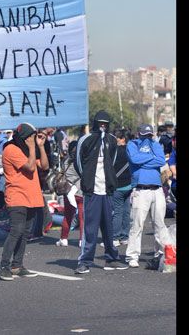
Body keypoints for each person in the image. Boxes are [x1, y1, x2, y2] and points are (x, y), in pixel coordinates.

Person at [74, 111, 128, 273]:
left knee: (109, 227)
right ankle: (84, 261)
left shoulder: (112, 140)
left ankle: (112, 259)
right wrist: (87, 179)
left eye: (105, 123)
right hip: (92, 190)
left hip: (107, 190)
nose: (102, 126)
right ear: (95, 123)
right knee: (90, 228)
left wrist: (110, 181)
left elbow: (111, 162)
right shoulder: (85, 139)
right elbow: (78, 162)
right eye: (100, 123)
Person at [0, 123, 48, 281]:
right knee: (16, 231)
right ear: (24, 136)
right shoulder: (11, 149)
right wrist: (32, 146)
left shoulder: (27, 149)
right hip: (17, 196)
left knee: (25, 233)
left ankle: (17, 266)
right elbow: (31, 168)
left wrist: (41, 146)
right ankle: (3, 267)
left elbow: (44, 166)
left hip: (31, 197)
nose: (33, 139)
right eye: (31, 137)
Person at [124, 123, 172, 268]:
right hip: (140, 189)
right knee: (137, 224)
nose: (147, 138)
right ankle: (132, 255)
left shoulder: (156, 144)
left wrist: (144, 159)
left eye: (149, 135)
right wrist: (150, 158)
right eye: (145, 135)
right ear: (139, 134)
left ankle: (161, 253)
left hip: (157, 190)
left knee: (160, 224)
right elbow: (134, 159)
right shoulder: (132, 144)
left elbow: (160, 160)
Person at [57, 140, 84, 247]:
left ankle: (64, 238)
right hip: (81, 191)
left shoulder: (66, 161)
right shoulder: (82, 160)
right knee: (82, 217)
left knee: (68, 215)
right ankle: (82, 240)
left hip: (69, 191)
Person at [111, 129, 134, 247]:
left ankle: (115, 237)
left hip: (118, 186)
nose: (115, 140)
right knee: (126, 211)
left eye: (117, 138)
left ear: (122, 139)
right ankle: (125, 236)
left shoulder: (114, 151)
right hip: (129, 185)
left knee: (117, 212)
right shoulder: (131, 150)